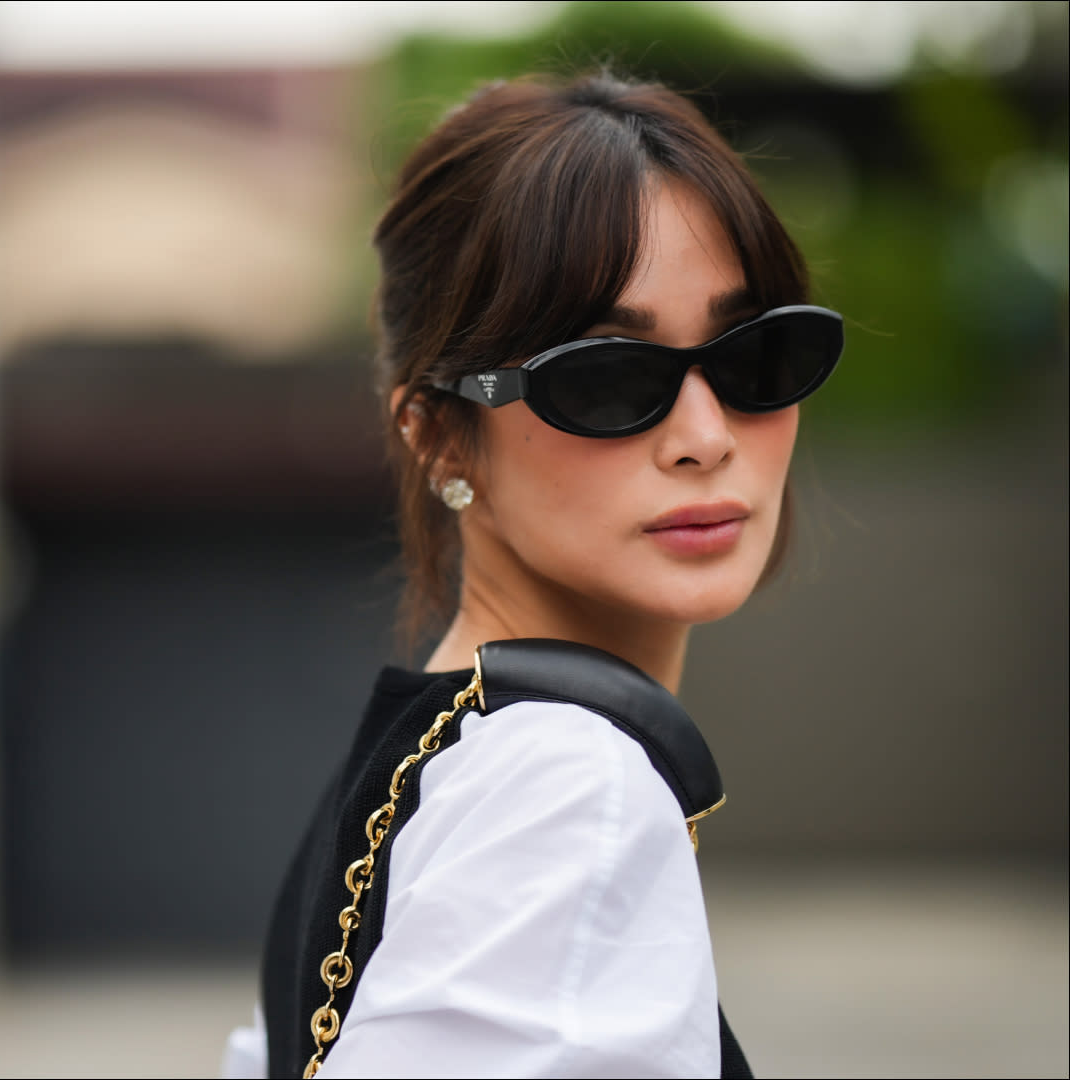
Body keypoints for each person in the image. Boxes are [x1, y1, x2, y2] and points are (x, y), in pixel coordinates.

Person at [223, 71, 843, 1080]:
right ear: (439, 437)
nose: (705, 436)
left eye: (757, 357)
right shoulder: (568, 791)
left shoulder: (431, 764)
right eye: (605, 378)